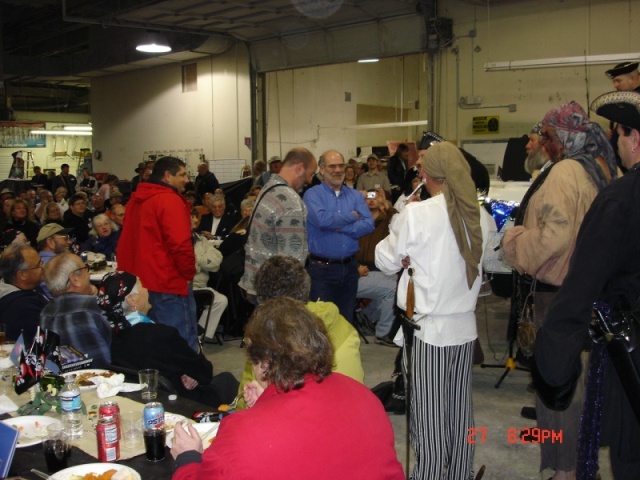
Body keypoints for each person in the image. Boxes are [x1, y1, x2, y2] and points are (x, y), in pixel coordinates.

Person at [502, 101, 616, 480]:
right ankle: (580, 466)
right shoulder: (599, 167)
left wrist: (514, 242)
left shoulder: (566, 171)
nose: (544, 142)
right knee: (578, 380)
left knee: (558, 385)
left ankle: (565, 470)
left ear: (565, 137)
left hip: (557, 294)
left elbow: (554, 236)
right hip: (587, 290)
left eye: (548, 135)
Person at [171, 297, 404, 480]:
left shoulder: (242, 432)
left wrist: (187, 458)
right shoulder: (364, 395)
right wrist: (266, 403)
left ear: (264, 363)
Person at [533, 91, 640, 480]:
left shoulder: (621, 197)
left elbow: (583, 279)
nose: (614, 141)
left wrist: (553, 365)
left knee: (630, 454)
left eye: (619, 132)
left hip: (630, 352)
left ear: (635, 137)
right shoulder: (605, 174)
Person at [375, 141, 494, 479]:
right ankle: (460, 472)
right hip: (464, 329)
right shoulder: (481, 216)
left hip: (428, 331)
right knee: (460, 409)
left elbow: (385, 259)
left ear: (428, 175)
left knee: (427, 417)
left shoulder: (418, 214)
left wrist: (399, 227)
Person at [236, 254, 364, 409]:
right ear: (306, 289)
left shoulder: (267, 337)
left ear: (263, 302)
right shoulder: (339, 321)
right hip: (355, 410)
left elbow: (243, 405)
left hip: (304, 416)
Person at [100, 271, 238, 408]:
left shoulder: (106, 336)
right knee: (227, 381)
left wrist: (185, 373)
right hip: (177, 403)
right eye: (142, 285)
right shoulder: (159, 335)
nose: (147, 289)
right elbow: (204, 372)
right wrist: (188, 374)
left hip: (135, 400)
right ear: (132, 300)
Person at [117, 156, 198, 351]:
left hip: (140, 284)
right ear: (167, 176)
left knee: (149, 345)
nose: (187, 180)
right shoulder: (170, 200)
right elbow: (181, 244)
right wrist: (188, 274)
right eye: (182, 175)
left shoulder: (135, 201)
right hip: (167, 282)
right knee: (180, 345)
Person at [303, 149, 374, 323]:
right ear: (322, 169)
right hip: (321, 271)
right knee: (321, 323)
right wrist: (351, 217)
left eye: (341, 166)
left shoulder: (355, 195)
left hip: (350, 269)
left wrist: (340, 228)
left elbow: (368, 224)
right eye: (332, 166)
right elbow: (322, 220)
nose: (338, 170)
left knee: (346, 322)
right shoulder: (312, 195)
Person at [239, 147, 317, 297]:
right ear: (300, 168)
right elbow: (292, 260)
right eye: (311, 174)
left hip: (256, 282)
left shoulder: (268, 188)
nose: (310, 180)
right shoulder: (290, 201)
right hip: (276, 292)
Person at [39, 252, 110, 367]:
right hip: (107, 374)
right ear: (75, 279)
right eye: (85, 269)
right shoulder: (95, 306)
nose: (88, 274)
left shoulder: (45, 313)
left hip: (64, 376)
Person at [356, 189, 398, 346]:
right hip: (358, 270)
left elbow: (400, 223)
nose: (371, 199)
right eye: (368, 197)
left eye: (376, 196)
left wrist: (388, 207)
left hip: (379, 269)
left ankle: (365, 317)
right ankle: (384, 332)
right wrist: (355, 268)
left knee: (395, 282)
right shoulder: (357, 221)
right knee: (393, 288)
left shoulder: (387, 221)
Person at [190, 209, 228, 340]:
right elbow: (186, 265)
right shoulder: (180, 240)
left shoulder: (201, 240)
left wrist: (198, 260)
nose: (196, 220)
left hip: (200, 287)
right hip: (183, 287)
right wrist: (198, 264)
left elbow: (217, 261)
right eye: (192, 217)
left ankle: (199, 336)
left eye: (197, 217)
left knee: (221, 300)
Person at [0, 244, 49, 342]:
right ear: (22, 274)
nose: (44, 267)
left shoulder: (28, 289)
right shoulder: (22, 307)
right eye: (39, 265)